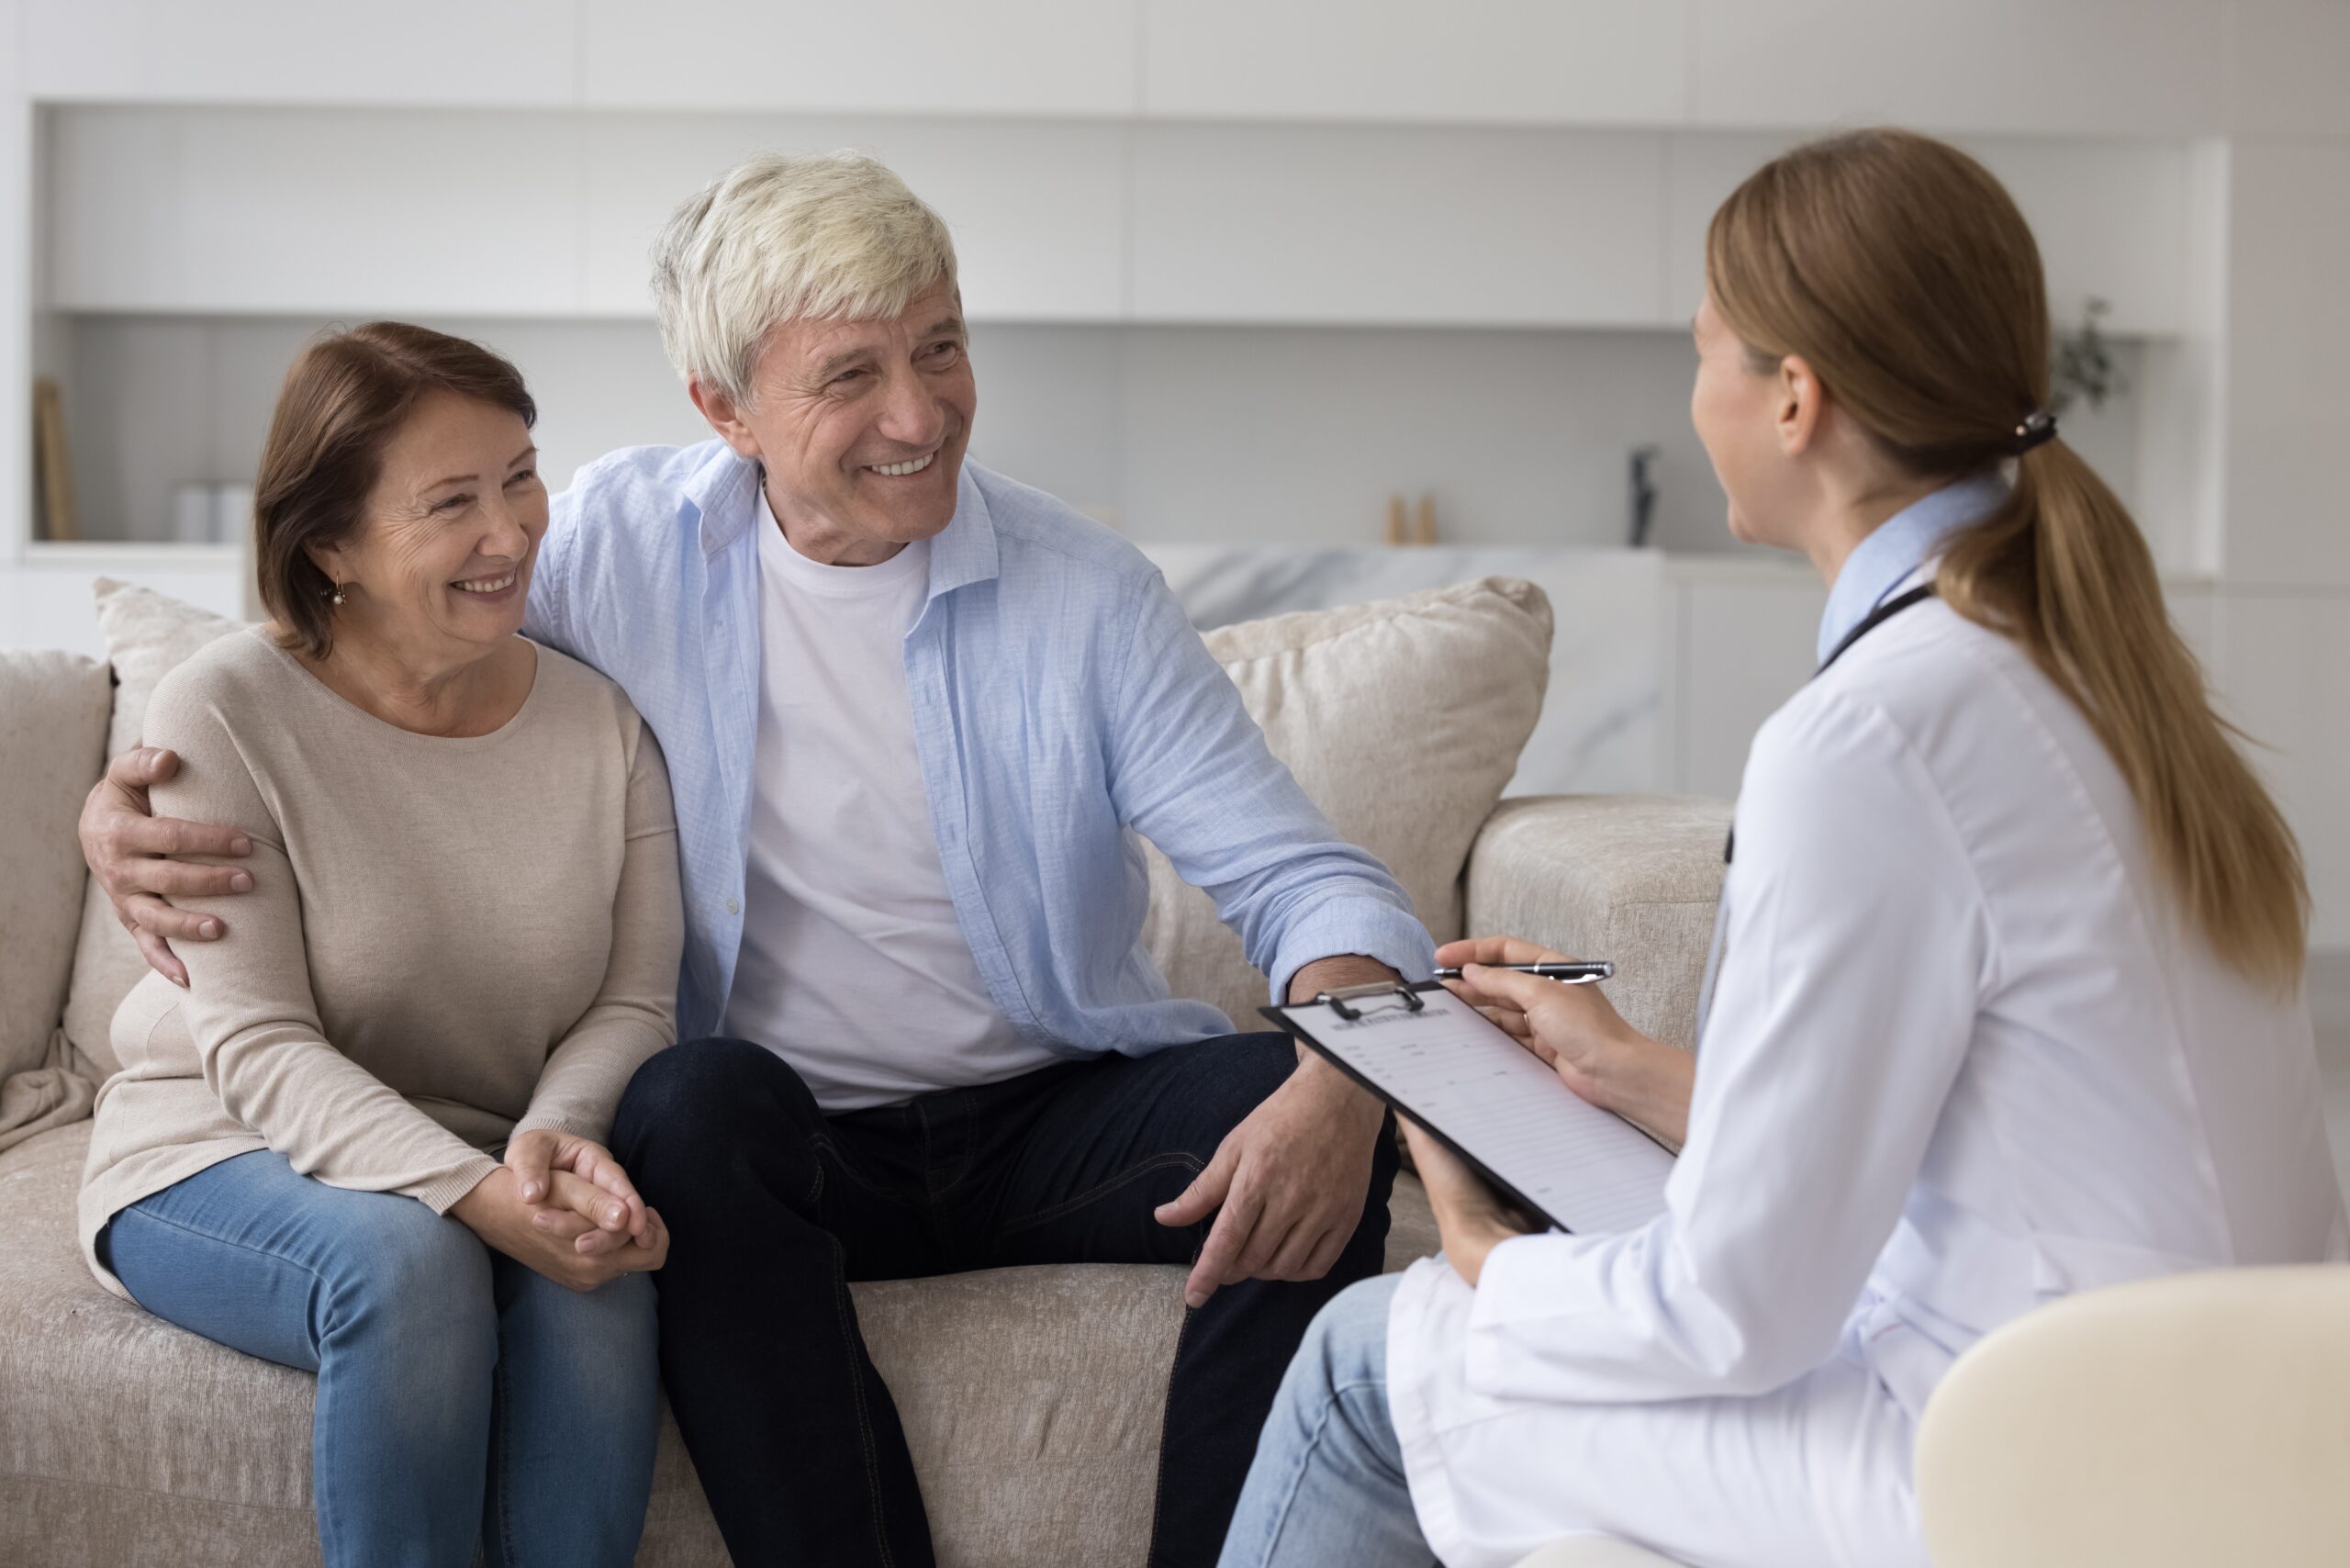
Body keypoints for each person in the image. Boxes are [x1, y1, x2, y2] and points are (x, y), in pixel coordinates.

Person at [79, 153, 1432, 1568]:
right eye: (850, 375)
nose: (919, 414)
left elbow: (1306, 881)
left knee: (1333, 1095)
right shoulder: (605, 546)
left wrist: (1338, 1075)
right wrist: (125, 797)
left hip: (1046, 1110)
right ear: (723, 410)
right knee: (686, 1102)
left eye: (942, 347)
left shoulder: (1084, 595)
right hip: (773, 1147)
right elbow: (358, 652)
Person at [1217, 129, 2349, 1568]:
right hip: (2233, 1431)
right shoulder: (2091, 672)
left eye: (1706, 354)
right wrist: (1632, 1073)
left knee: (1372, 1361)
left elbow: (1738, 1312)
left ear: (1795, 397)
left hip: (2021, 1462)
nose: (1697, 398)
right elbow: (1987, 1139)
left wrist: (1488, 1258)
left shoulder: (1874, 738)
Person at [76, 324, 685, 1568]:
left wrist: (550, 1147)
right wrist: (474, 1202)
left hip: (489, 1147)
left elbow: (633, 1002)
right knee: (408, 1267)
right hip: (220, 1145)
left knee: (602, 1288)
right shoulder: (226, 709)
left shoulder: (600, 722)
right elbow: (253, 1043)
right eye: (450, 502)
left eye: (519, 476)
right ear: (330, 545)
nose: (509, 533)